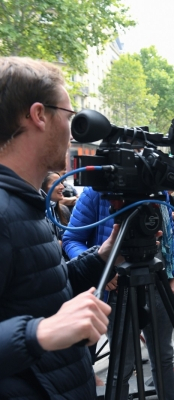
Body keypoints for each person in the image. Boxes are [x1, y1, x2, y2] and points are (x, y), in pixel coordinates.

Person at [0, 56, 119, 398]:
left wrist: (100, 258)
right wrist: (40, 333)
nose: (73, 129)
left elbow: (43, 291)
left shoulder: (26, 203)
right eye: (70, 117)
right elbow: (44, 322)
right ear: (39, 115)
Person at [63, 187, 174, 398]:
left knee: (164, 357)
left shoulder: (156, 188)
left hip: (156, 281)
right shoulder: (96, 192)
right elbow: (71, 239)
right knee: (122, 365)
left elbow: (168, 234)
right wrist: (102, 267)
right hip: (119, 287)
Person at [42, 171, 72, 243]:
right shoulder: (36, 215)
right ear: (42, 188)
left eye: (61, 182)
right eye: (56, 183)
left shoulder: (64, 210)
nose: (62, 186)